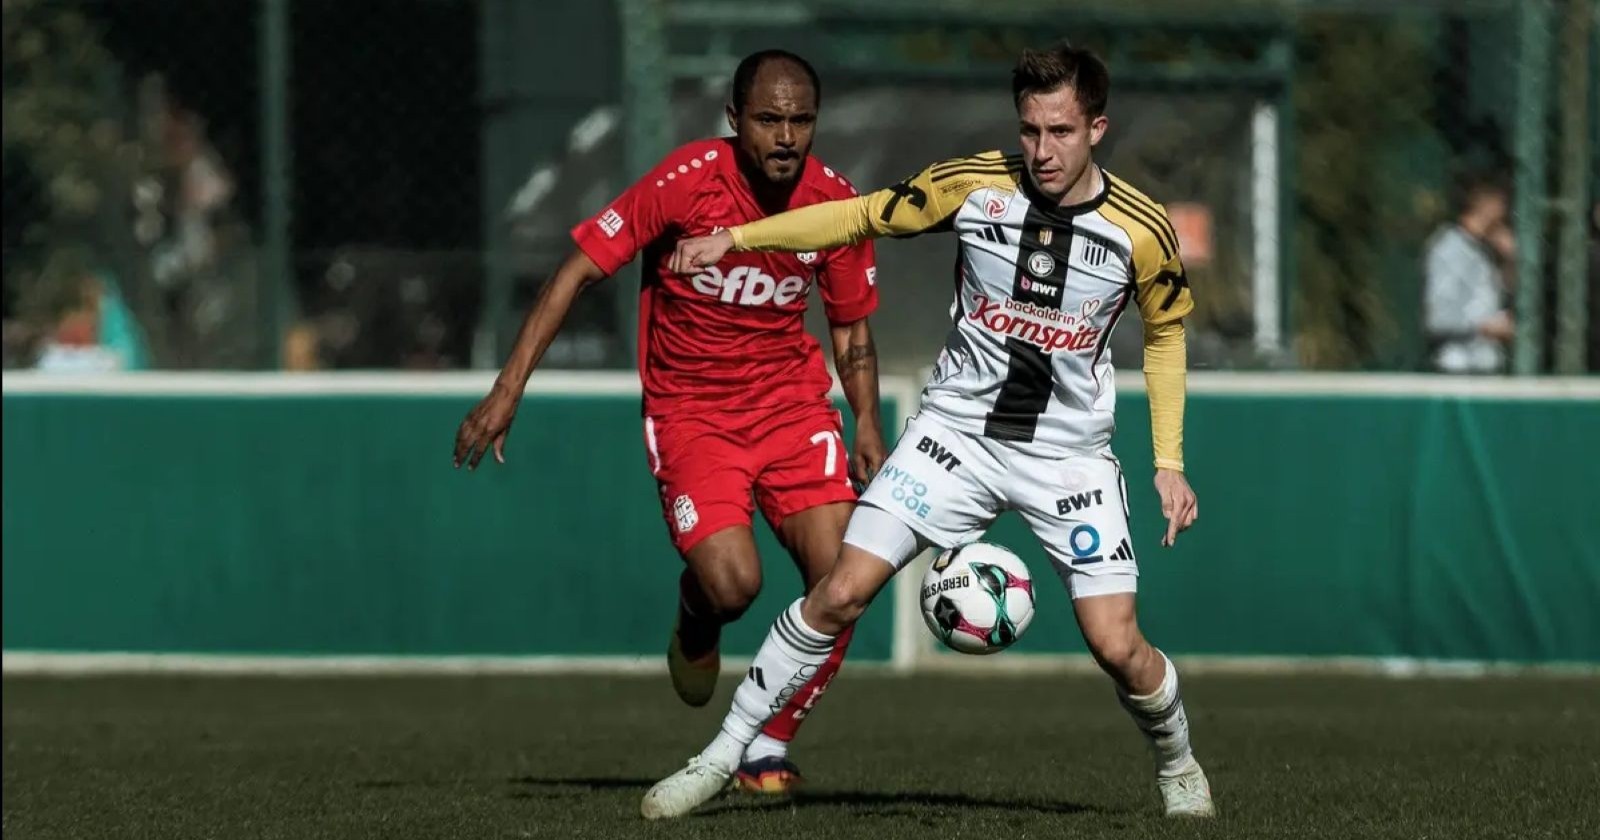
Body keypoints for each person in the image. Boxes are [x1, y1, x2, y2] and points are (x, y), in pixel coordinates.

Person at [640, 41, 1215, 820]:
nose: (1042, 151)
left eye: (1061, 132)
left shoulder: (1140, 230)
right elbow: (858, 215)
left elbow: (1167, 333)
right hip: (955, 439)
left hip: (1068, 459)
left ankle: (1178, 763)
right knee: (840, 592)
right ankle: (719, 758)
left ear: (1097, 129)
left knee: (1117, 645)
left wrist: (1169, 460)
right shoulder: (971, 186)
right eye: (1030, 130)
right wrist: (737, 238)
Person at [453, 50, 886, 793]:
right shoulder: (686, 181)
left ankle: (768, 742)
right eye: (769, 120)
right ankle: (696, 612)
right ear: (735, 119)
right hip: (693, 415)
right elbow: (578, 269)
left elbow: (850, 329)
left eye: (801, 120)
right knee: (734, 587)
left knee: (844, 578)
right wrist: (507, 389)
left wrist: (867, 423)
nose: (787, 137)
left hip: (791, 409)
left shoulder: (835, 204)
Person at [1422, 175, 1515, 374]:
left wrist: (1511, 259)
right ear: (1488, 206)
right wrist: (1486, 328)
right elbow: (1438, 318)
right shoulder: (1450, 247)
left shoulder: (1485, 249)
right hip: (1458, 364)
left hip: (1485, 362)